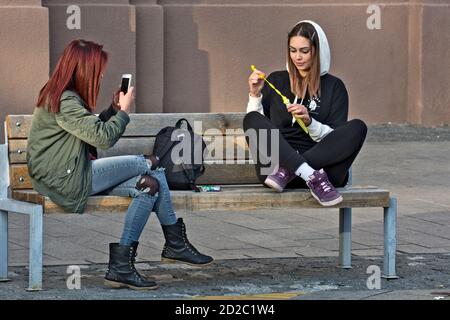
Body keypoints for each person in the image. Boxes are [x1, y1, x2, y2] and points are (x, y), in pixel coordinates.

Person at [27, 39, 213, 290]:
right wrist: (124, 112)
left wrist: (112, 110)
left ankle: (121, 268)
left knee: (149, 185)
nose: (101, 74)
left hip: (69, 175)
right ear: (83, 68)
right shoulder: (65, 100)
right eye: (98, 69)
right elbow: (103, 138)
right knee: (152, 164)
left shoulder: (63, 96)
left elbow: (89, 128)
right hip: (66, 179)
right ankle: (174, 243)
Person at [244, 20, 367, 206]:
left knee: (358, 127)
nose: (297, 57)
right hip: (276, 171)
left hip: (323, 169)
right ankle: (308, 175)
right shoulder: (276, 80)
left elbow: (335, 139)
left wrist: (310, 122)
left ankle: (293, 170)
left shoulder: (334, 87)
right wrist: (255, 95)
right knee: (251, 118)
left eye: (304, 51)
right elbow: (260, 133)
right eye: (293, 50)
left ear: (317, 51)